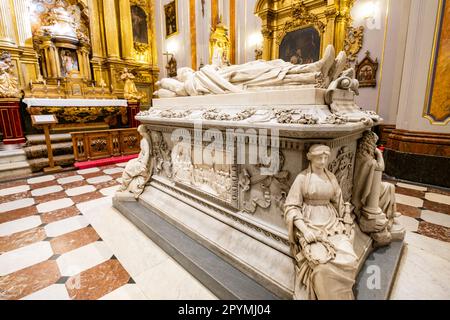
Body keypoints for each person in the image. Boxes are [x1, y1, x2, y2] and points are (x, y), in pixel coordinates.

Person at [284, 144, 357, 300]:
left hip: (332, 223)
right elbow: (291, 207)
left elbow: (339, 201)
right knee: (322, 265)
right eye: (319, 157)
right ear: (310, 157)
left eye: (325, 157)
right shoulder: (302, 178)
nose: (323, 161)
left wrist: (347, 222)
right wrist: (305, 230)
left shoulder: (331, 177)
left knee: (349, 259)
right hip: (310, 223)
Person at [155, 44, 338, 97]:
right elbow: (172, 88)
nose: (187, 70)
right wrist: (162, 82)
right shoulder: (190, 84)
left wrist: (218, 60)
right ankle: (313, 74)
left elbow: (218, 65)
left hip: (230, 73)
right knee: (265, 74)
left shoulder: (204, 72)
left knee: (268, 64)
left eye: (187, 69)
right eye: (184, 71)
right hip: (233, 81)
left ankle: (316, 68)